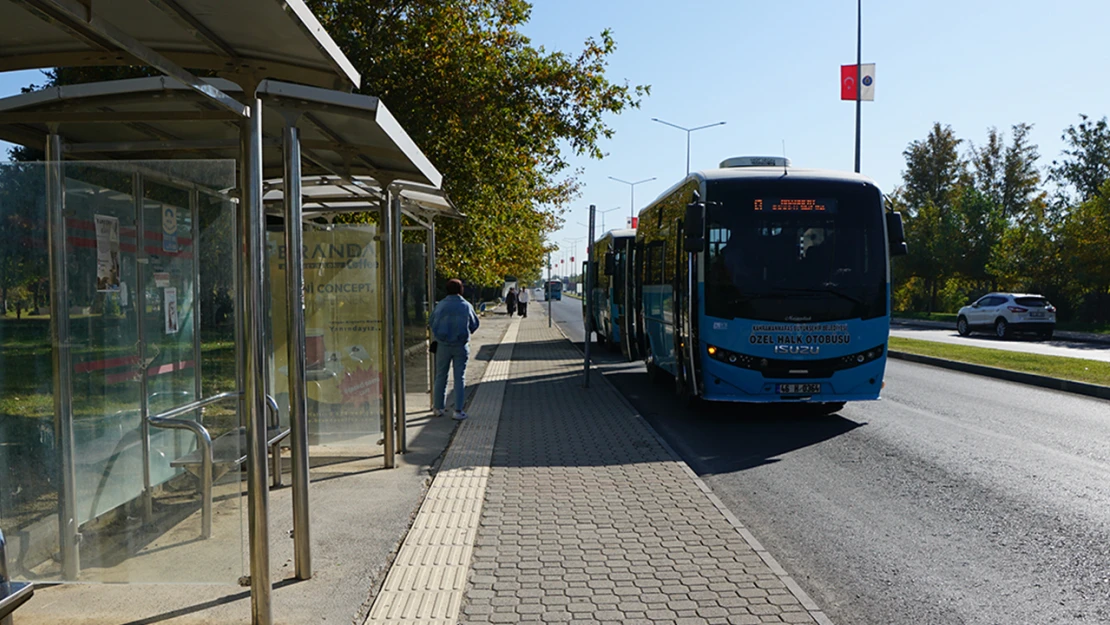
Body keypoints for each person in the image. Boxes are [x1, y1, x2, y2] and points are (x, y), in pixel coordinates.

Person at [430, 278, 480, 420]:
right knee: (459, 377)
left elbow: (432, 322)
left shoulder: (441, 306)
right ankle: (458, 411)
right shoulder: (466, 305)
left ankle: (438, 407)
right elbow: (474, 324)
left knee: (441, 376)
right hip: (460, 346)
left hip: (443, 346)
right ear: (461, 290)